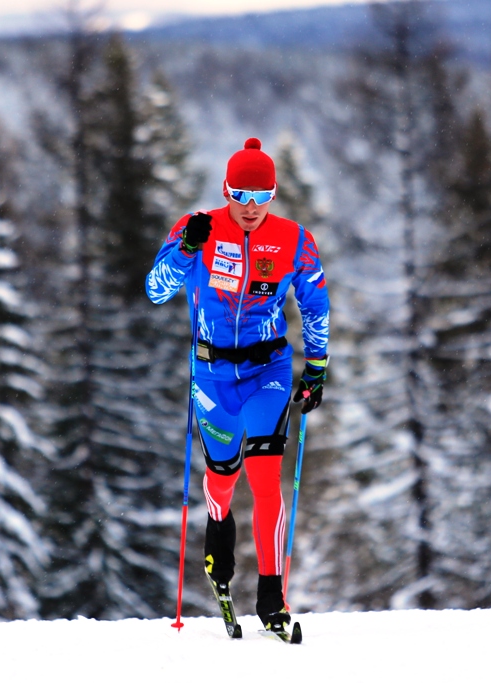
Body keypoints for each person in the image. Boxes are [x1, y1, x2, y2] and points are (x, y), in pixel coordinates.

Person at [146, 138, 330, 635]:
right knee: (222, 477)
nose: (250, 207)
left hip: (267, 369)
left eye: (261, 194)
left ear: (274, 194)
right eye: (240, 194)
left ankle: (272, 596)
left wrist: (317, 367)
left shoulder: (293, 239)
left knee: (266, 476)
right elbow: (156, 289)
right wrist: (186, 251)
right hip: (211, 374)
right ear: (225, 191)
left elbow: (315, 305)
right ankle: (218, 533)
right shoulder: (197, 229)